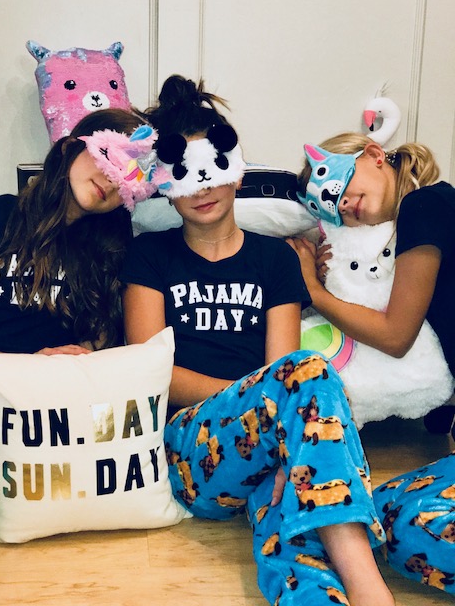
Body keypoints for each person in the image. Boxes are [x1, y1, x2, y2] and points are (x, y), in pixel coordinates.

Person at [120, 75, 395, 606]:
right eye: (184, 176)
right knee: (307, 375)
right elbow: (149, 371)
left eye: (211, 170)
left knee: (295, 523)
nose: (201, 189)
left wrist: (284, 431)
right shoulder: (150, 256)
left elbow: (281, 367)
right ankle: (373, 593)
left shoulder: (275, 260)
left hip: (272, 444)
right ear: (166, 184)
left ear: (235, 168)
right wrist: (265, 405)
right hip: (188, 447)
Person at [0, 106, 165, 526]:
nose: (112, 180)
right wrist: (16, 368)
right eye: (110, 158)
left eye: (128, 179)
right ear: (69, 147)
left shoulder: (111, 253)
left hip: (42, 416)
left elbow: (100, 351)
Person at [289, 132, 455, 595]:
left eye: (340, 186)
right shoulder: (410, 226)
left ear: (375, 155)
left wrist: (314, 291)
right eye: (332, 208)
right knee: (386, 517)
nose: (343, 204)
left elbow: (395, 335)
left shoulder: (426, 204)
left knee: (401, 527)